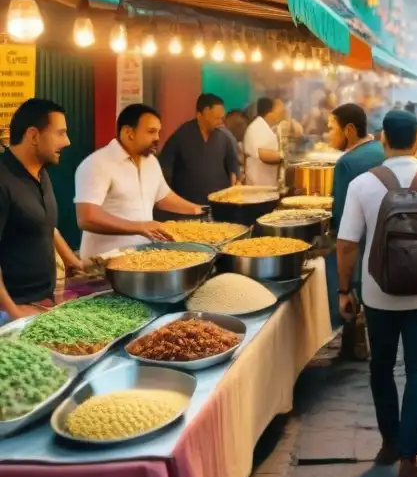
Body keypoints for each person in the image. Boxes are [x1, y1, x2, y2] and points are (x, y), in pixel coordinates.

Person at [335, 110, 417, 477]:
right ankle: (410, 458)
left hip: (378, 296)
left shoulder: (363, 183)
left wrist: (345, 291)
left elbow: (346, 245)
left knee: (381, 366)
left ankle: (390, 443)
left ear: (382, 139)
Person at [75, 104, 204, 260]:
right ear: (129, 132)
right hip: (104, 261)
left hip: (142, 257)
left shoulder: (151, 162)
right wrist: (140, 227)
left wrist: (199, 210)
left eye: (158, 132)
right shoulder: (97, 164)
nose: (157, 138)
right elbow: (87, 218)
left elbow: (163, 197)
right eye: (151, 132)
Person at [0, 99, 83, 321]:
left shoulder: (41, 173)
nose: (67, 142)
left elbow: (43, 223)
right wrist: (12, 312)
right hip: (12, 310)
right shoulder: (2, 179)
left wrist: (71, 260)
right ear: (33, 135)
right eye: (60, 133)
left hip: (42, 301)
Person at [327, 103, 386, 359]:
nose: (327, 134)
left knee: (342, 276)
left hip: (360, 245)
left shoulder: (346, 163)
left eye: (331, 128)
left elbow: (342, 219)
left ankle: (352, 337)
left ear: (349, 130)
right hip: (384, 240)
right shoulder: (380, 150)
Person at [158, 93, 239, 208]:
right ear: (205, 112)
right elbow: (164, 170)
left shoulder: (224, 137)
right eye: (218, 118)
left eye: (222, 118)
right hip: (188, 207)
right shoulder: (181, 136)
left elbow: (233, 170)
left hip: (219, 205)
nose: (221, 122)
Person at [244, 97, 284, 186]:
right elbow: (263, 155)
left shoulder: (266, 126)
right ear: (269, 113)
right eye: (279, 112)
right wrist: (285, 157)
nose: (280, 116)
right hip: (259, 188)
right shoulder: (257, 128)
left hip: (266, 185)